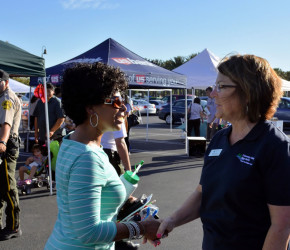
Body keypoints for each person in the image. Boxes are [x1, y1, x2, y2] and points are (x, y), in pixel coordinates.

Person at [155, 55, 290, 249]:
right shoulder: (219, 138)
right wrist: (172, 220)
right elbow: (203, 194)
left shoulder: (274, 145)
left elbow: (281, 227)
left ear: (249, 92)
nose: (212, 95)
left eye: (221, 86)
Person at [45, 63, 160, 249]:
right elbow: (89, 232)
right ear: (90, 108)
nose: (124, 109)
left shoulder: (71, 142)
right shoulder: (87, 157)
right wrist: (142, 227)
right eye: (115, 102)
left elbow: (82, 199)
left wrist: (126, 200)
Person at [0, 69, 22, 240]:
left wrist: (2, 142)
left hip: (6, 146)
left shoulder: (7, 97)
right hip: (4, 145)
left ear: (6, 82)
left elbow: (6, 124)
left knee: (8, 187)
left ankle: (14, 227)